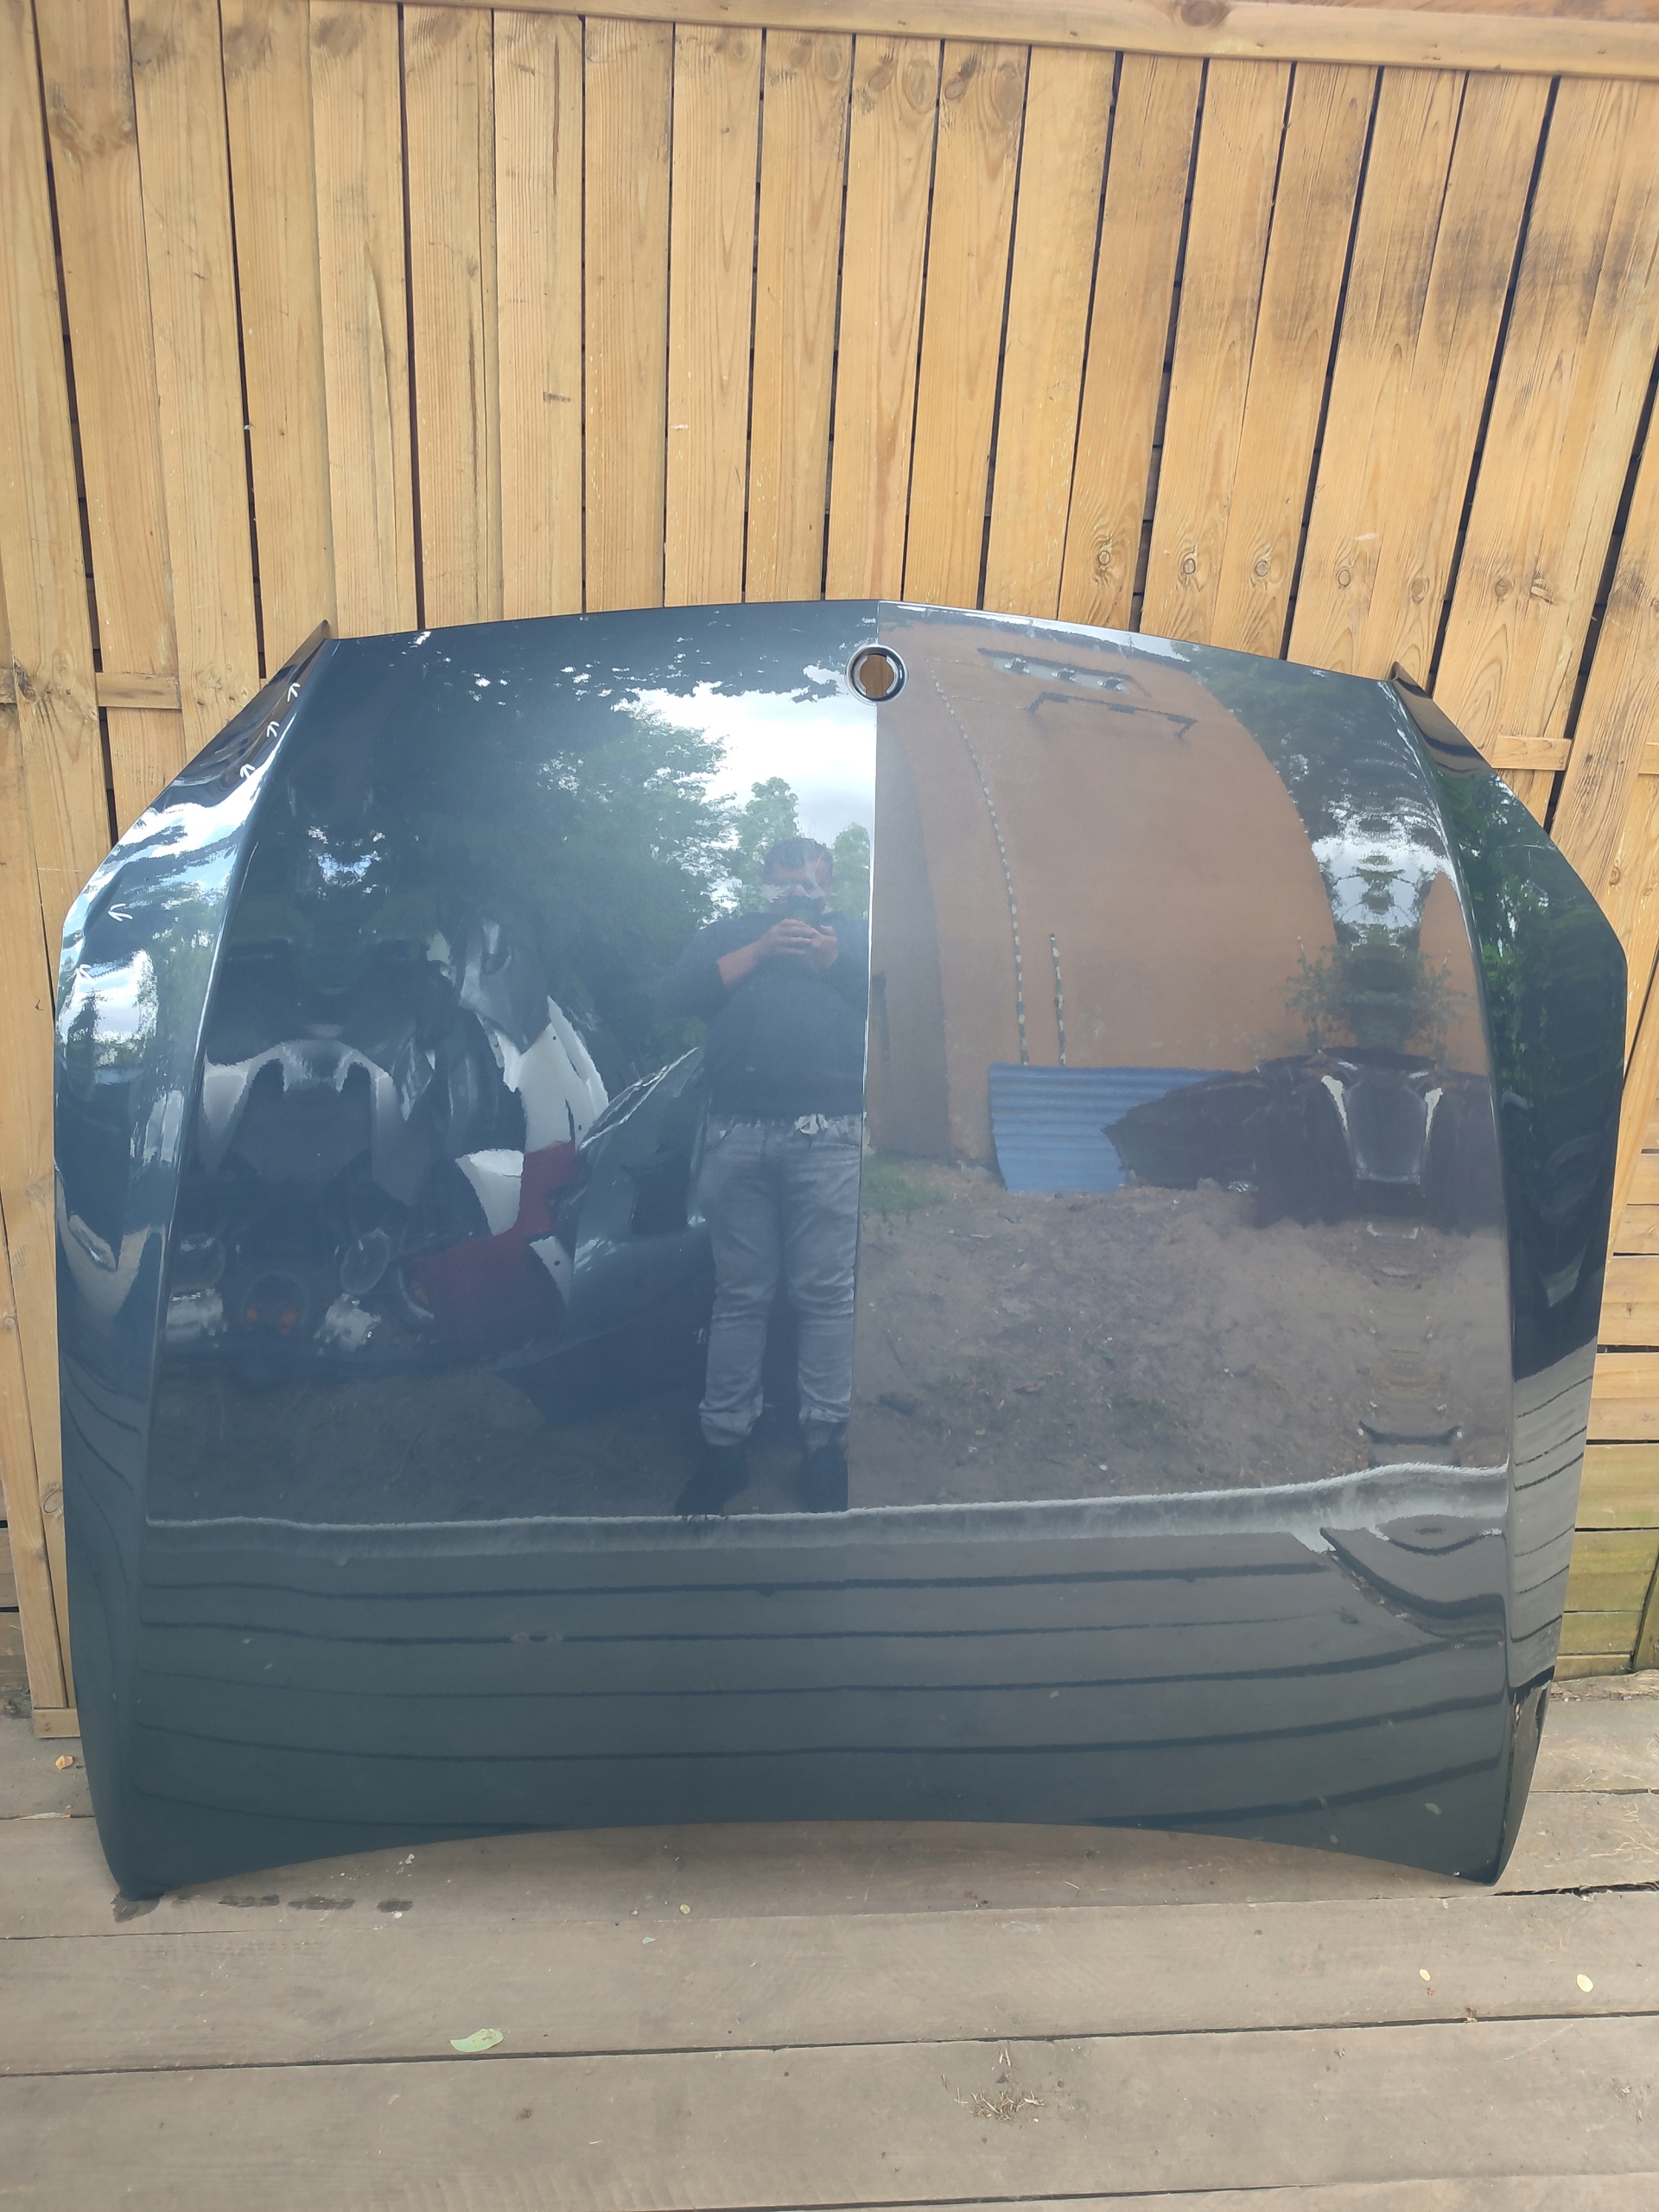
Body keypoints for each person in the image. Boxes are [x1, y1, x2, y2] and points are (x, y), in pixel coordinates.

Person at [659, 836, 868, 1514]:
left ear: (829, 886)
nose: (795, 897)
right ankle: (723, 1449)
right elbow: (672, 996)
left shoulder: (856, 938)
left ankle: (825, 1450)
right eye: (782, 885)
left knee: (826, 1296)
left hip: (830, 1133)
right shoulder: (729, 935)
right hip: (735, 1133)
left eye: (808, 885)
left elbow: (902, 1005)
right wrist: (758, 951)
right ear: (763, 886)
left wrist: (835, 963)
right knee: (741, 1295)